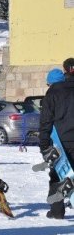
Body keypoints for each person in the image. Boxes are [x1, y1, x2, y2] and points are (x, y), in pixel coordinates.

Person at [39, 60, 74, 219]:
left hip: (61, 141)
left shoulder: (51, 95)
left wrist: (44, 145)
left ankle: (57, 211)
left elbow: (46, 122)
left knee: (57, 174)